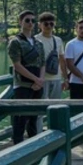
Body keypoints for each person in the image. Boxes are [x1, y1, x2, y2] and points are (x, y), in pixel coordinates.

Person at [7, 10, 45, 144]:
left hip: (37, 86)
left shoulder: (38, 43)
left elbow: (42, 64)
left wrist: (40, 81)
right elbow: (17, 65)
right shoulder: (15, 42)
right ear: (20, 22)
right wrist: (35, 80)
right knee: (21, 119)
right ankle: (18, 147)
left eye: (32, 21)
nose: (30, 23)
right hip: (22, 85)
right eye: (27, 20)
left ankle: (34, 146)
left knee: (34, 118)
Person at [35, 12, 68, 133]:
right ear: (40, 25)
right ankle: (38, 135)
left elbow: (62, 60)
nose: (49, 26)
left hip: (56, 78)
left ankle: (55, 133)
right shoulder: (35, 40)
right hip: (41, 79)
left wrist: (66, 78)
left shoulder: (58, 40)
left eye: (51, 23)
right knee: (39, 108)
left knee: (56, 107)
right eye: (46, 23)